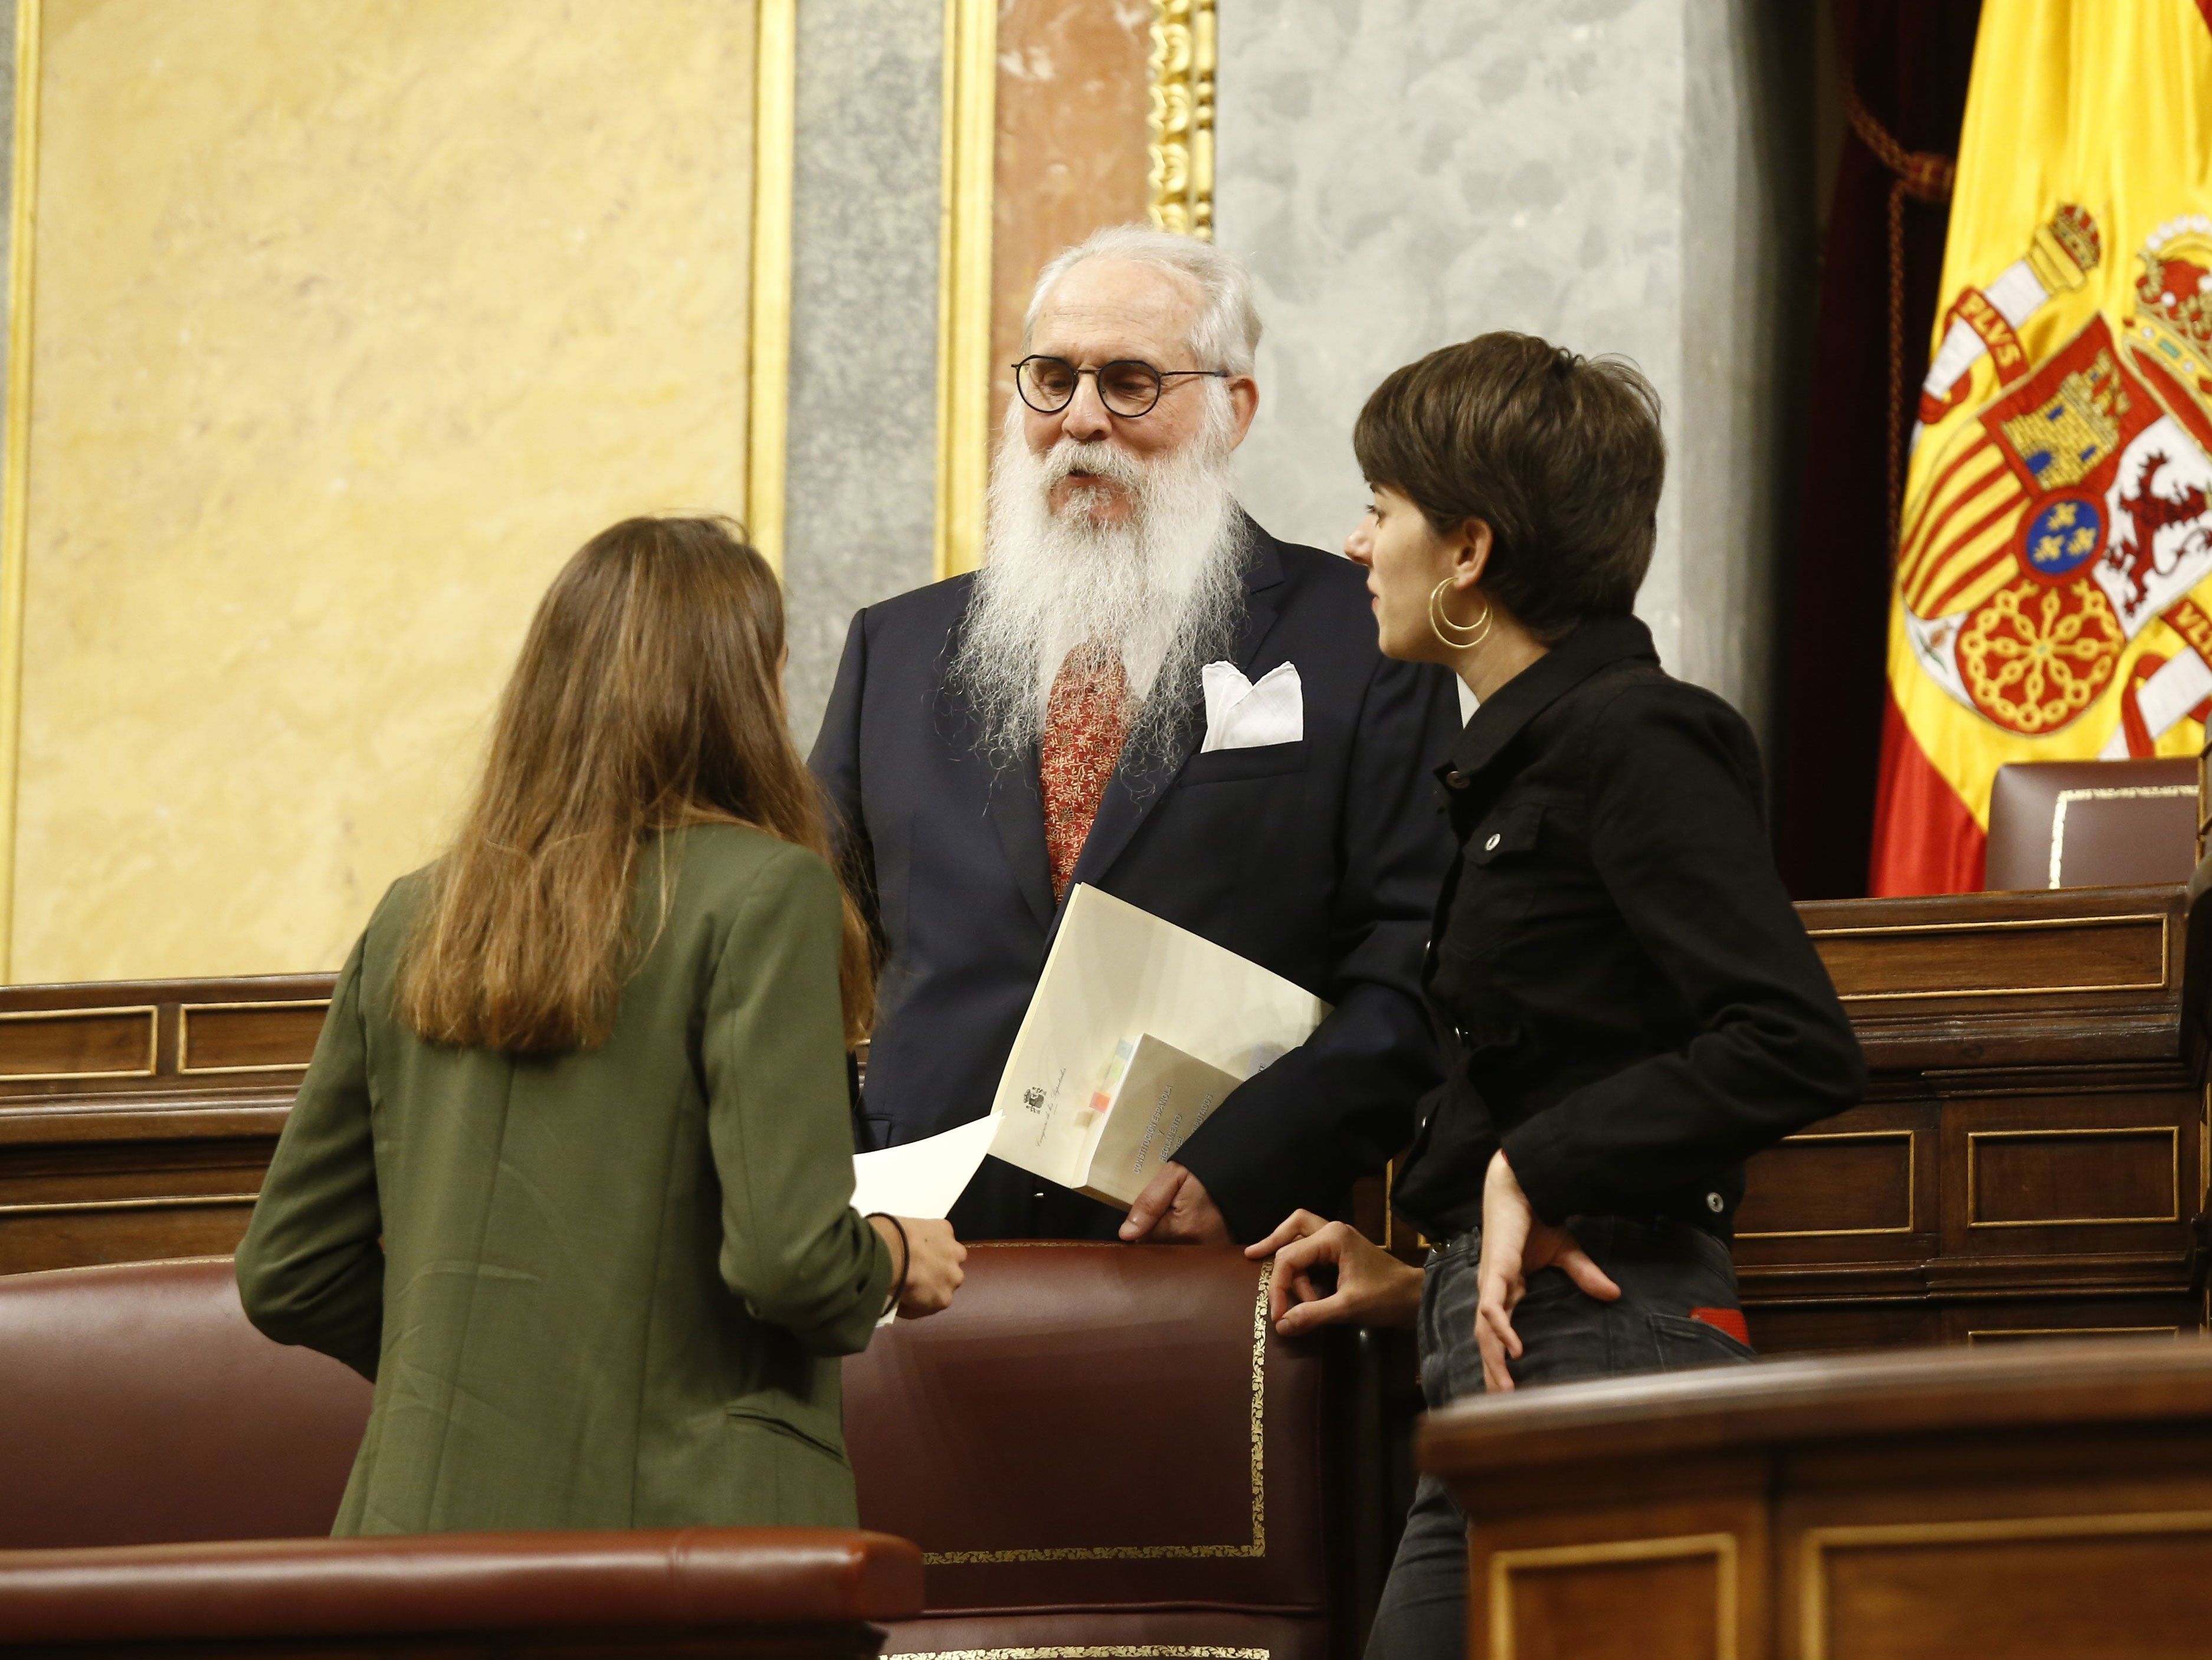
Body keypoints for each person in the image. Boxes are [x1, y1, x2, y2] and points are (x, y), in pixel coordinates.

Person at [1244, 335, 1866, 1658]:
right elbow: (1581, 1054)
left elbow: (1793, 1042)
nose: (1357, 546)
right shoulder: (1516, 765)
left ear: (1467, 549)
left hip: (1610, 1352)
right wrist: (1430, 1271)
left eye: (1381, 509)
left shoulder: (1636, 733)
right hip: (1512, 1351)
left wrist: (1533, 1165)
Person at [235, 516, 965, 1535]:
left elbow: (287, 1271)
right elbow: (789, 1261)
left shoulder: (416, 911)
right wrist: (892, 1252)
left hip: (414, 1536)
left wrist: (474, 1381)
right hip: (676, 1546)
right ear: (738, 692)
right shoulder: (765, 894)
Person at [811, 225, 1461, 1246]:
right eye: (1051, 378)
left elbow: (1411, 960)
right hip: (919, 1245)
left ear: (1232, 409)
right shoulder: (894, 648)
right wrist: (838, 1171)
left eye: (1128, 383)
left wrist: (1249, 1157)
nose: (1079, 420)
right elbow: (807, 950)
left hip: (1212, 1239)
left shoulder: (1359, 636)